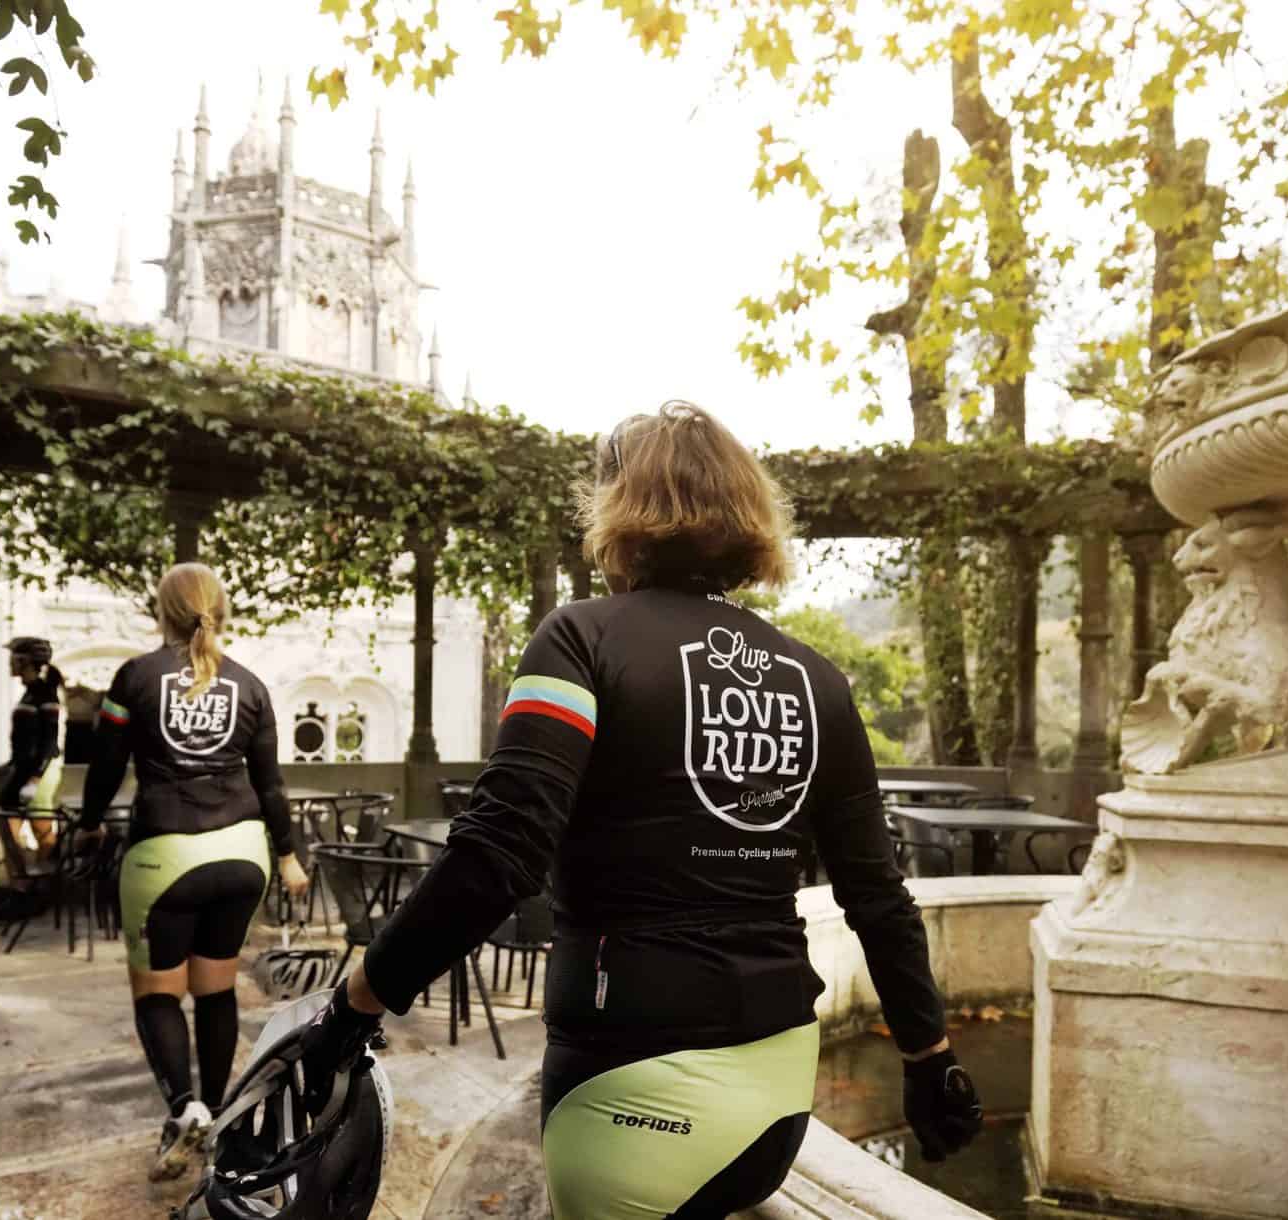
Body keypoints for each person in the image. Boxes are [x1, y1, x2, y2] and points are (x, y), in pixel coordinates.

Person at [296, 402, 982, 1219]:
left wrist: (357, 1002)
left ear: (619, 511)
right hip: (777, 1093)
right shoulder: (818, 680)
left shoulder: (581, 641)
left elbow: (499, 855)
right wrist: (929, 1054)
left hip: (628, 1086)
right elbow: (876, 895)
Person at [73, 562, 311, 1181]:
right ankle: (219, 1115)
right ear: (220, 612)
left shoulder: (134, 677)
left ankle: (185, 1111)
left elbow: (106, 765)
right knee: (214, 988)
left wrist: (90, 823)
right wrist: (288, 854)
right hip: (243, 855)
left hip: (166, 854)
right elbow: (271, 784)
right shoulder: (251, 686)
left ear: (164, 611)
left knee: (159, 993)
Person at [0, 637, 64, 921]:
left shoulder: (45, 693)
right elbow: (24, 741)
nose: (10, 663)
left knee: (42, 830)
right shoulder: (29, 693)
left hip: (38, 773)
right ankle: (22, 890)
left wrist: (35, 779)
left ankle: (39, 893)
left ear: (26, 661)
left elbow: (49, 742)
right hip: (22, 770)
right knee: (7, 823)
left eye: (14, 658)